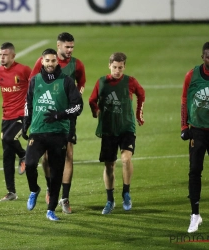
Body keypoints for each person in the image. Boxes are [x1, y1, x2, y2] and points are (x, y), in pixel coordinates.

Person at [22, 48, 83, 221]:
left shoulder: (67, 81)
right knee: (30, 163)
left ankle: (51, 209)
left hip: (59, 133)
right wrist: (26, 122)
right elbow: (28, 103)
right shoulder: (35, 81)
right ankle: (34, 189)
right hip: (38, 131)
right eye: (47, 61)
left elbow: (78, 106)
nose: (50, 64)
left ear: (57, 62)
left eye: (53, 61)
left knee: (56, 173)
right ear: (42, 61)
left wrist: (60, 115)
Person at [89, 52, 145, 215]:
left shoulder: (130, 81)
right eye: (115, 67)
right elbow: (92, 100)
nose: (117, 70)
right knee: (109, 165)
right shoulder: (102, 82)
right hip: (109, 129)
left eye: (120, 67)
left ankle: (126, 193)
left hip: (126, 127)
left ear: (124, 67)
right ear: (109, 66)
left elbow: (141, 94)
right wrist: (96, 111)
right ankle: (110, 200)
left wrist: (138, 114)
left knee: (126, 159)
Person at [0, 42, 31, 202]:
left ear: (13, 56)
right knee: (7, 156)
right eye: (0, 55)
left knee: (8, 138)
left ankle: (24, 155)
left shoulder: (24, 70)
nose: (2, 57)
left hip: (22, 115)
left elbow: (35, 83)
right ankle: (11, 192)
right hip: (6, 117)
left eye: (5, 55)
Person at [180, 42, 209, 233]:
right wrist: (184, 126)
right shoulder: (192, 75)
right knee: (194, 171)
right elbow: (184, 100)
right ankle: (195, 215)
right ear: (202, 57)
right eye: (208, 56)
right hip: (197, 131)